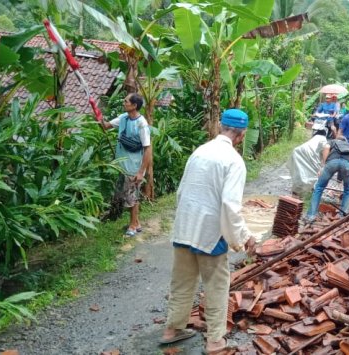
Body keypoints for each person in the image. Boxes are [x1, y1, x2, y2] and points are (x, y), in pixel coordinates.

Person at [161, 109, 257, 352]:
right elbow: (229, 205)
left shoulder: (200, 151)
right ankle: (215, 340)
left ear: (220, 127)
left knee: (181, 282)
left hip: (184, 227)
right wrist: (244, 237)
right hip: (210, 233)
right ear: (242, 135)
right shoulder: (234, 161)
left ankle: (172, 329)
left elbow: (181, 192)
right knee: (216, 285)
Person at [99, 93, 152, 237]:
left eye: (126, 101)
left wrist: (141, 172)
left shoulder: (142, 124)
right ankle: (137, 222)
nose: (124, 102)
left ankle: (133, 225)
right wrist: (98, 116)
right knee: (130, 196)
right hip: (122, 166)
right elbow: (106, 126)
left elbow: (147, 148)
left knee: (131, 197)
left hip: (133, 167)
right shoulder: (123, 118)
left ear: (134, 105)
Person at [304, 135, 349, 222]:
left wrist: (323, 166)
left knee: (319, 187)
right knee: (348, 190)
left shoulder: (332, 142)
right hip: (347, 164)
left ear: (337, 139)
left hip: (332, 162)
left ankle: (311, 216)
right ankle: (342, 216)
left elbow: (326, 147)